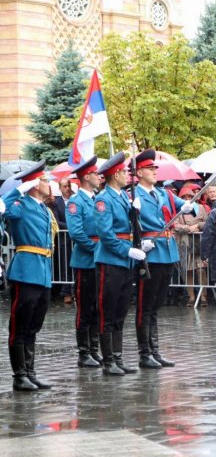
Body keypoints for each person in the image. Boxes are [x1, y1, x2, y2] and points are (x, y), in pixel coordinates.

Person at [132, 148, 194, 369]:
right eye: (150, 168)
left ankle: (155, 351)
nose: (154, 171)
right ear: (139, 172)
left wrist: (189, 206)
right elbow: (128, 226)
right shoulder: (133, 195)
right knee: (145, 305)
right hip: (150, 252)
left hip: (167, 251)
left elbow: (185, 206)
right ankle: (144, 353)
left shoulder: (164, 193)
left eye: (154, 168)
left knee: (157, 304)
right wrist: (137, 242)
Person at [1, 161, 55, 391]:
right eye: (44, 180)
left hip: (43, 271)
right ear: (33, 184)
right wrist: (17, 190)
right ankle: (19, 375)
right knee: (19, 326)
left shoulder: (43, 207)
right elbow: (1, 208)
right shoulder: (20, 205)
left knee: (34, 325)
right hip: (25, 270)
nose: (48, 184)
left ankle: (30, 372)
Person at [94, 152, 145, 376]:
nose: (128, 175)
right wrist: (128, 250)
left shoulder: (124, 197)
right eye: (125, 171)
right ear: (115, 174)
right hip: (111, 260)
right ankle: (108, 361)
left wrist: (135, 211)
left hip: (125, 261)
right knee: (108, 310)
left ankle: (118, 357)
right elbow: (105, 234)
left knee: (121, 311)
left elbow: (131, 227)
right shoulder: (103, 199)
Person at [65, 156, 102, 368]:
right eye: (96, 174)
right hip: (86, 261)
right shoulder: (75, 202)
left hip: (98, 259)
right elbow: (77, 233)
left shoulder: (98, 199)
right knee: (86, 308)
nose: (99, 177)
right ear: (87, 176)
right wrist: (99, 249)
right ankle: (83, 352)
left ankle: (94, 349)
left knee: (98, 307)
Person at [172, 185, 208, 308]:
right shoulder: (177, 209)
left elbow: (208, 222)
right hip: (184, 244)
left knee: (201, 269)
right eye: (184, 197)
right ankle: (191, 296)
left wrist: (198, 226)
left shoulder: (201, 208)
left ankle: (203, 296)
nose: (187, 199)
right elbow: (174, 225)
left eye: (190, 196)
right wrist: (188, 228)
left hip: (199, 243)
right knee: (187, 271)